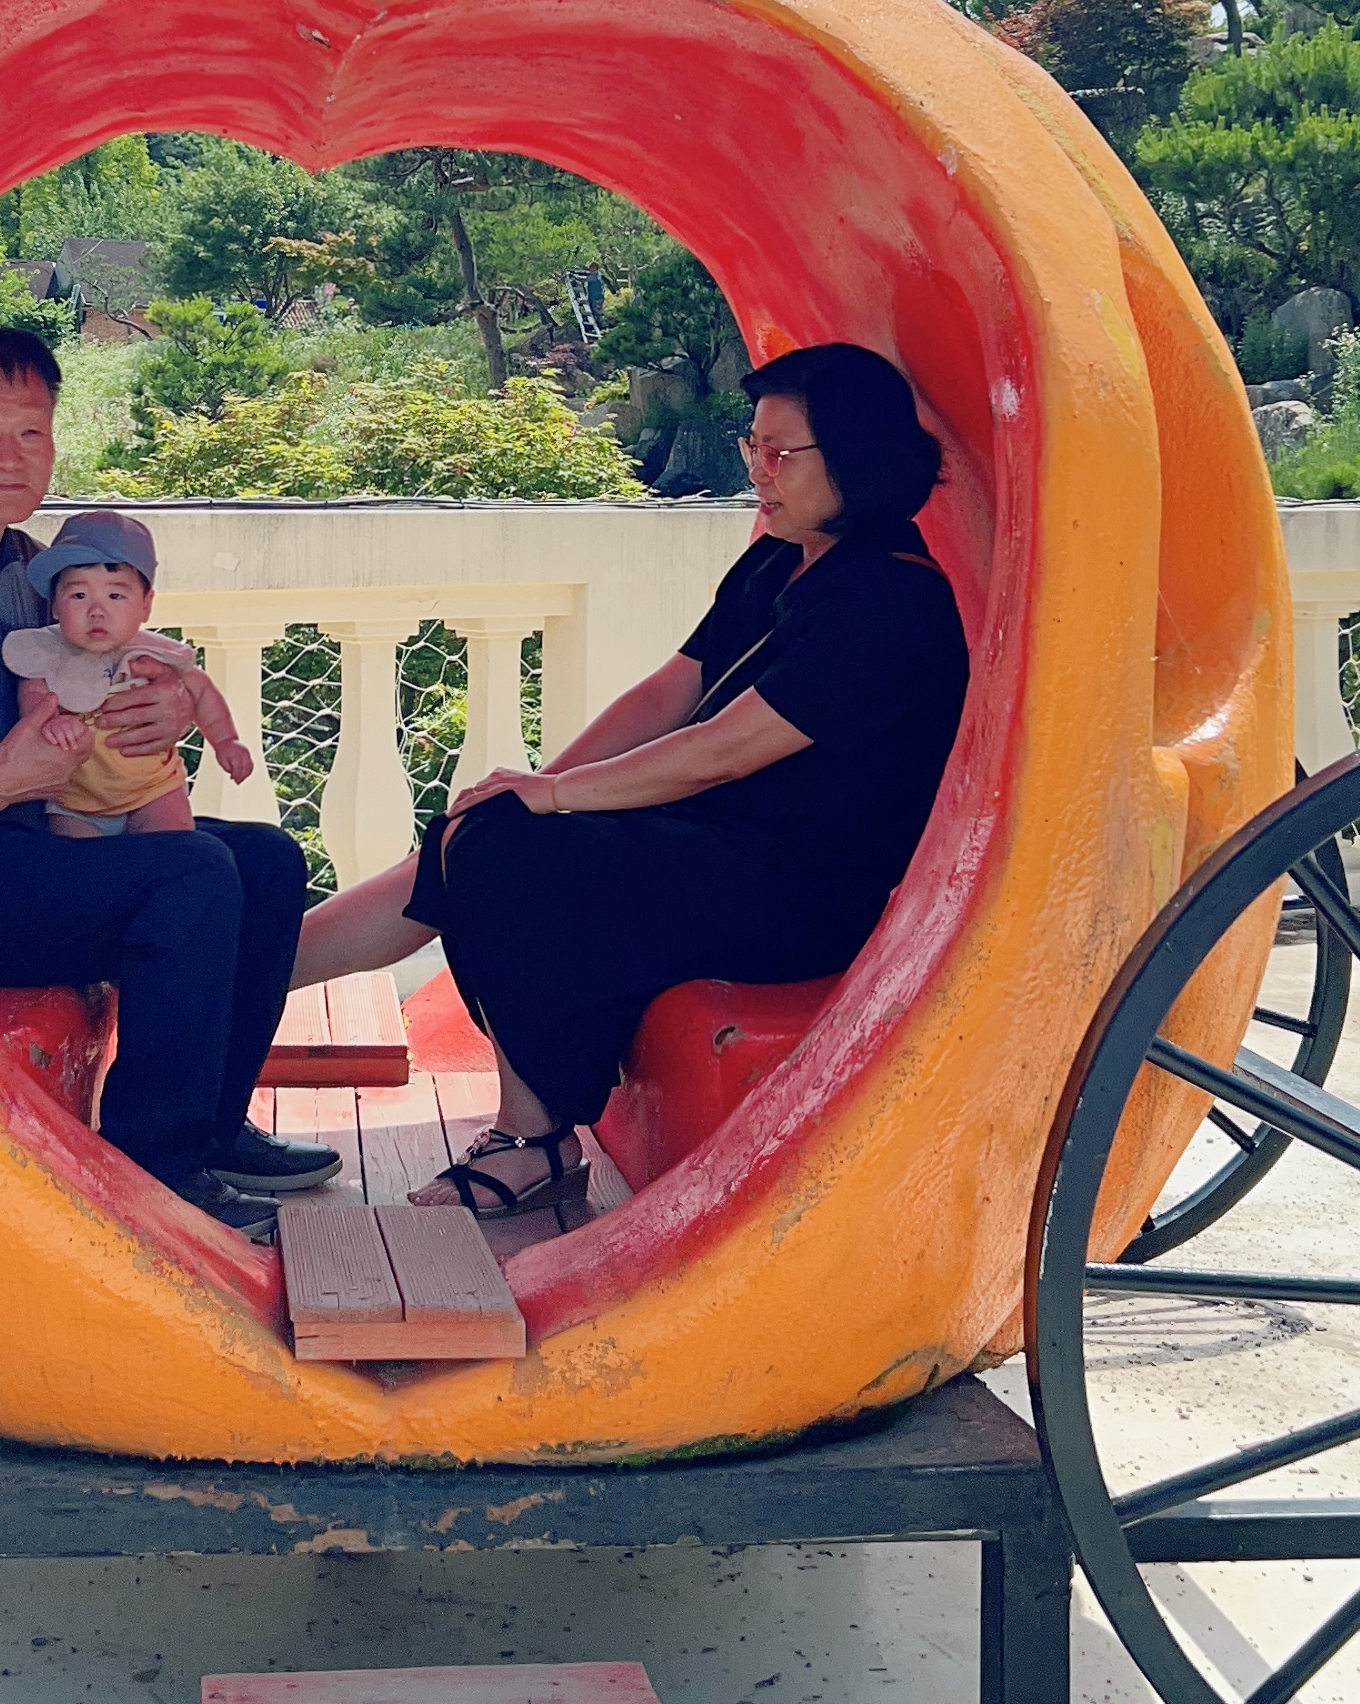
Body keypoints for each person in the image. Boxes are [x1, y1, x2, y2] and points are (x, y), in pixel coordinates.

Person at [290, 343, 969, 1221]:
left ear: (857, 458)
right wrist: (537, 785)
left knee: (504, 851)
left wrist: (553, 798)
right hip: (716, 851)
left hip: (797, 896)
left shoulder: (893, 600)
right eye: (753, 446)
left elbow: (723, 750)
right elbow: (669, 692)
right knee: (483, 831)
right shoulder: (783, 558)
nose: (758, 470)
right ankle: (256, 976)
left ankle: (533, 1138)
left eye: (780, 452)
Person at [0, 325, 331, 1236]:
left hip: (28, 846)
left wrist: (165, 705)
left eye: (30, 433)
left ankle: (209, 1130)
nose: (9, 457)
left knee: (268, 862)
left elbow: (105, 666)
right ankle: (155, 1176)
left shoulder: (30, 570)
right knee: (190, 874)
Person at [2, 510, 255, 838]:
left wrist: (226, 741)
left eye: (115, 596)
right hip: (76, 803)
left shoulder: (151, 655)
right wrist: (49, 722)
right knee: (83, 862)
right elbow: (32, 693)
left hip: (154, 791)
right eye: (78, 595)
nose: (97, 610)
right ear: (54, 606)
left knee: (175, 848)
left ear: (146, 605)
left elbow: (201, 689)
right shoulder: (48, 655)